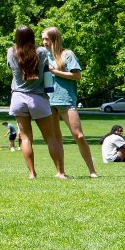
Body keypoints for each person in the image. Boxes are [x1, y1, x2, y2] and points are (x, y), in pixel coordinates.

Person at [7, 25, 68, 179]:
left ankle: (32, 173)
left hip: (18, 98)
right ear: (32, 37)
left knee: (26, 138)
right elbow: (47, 70)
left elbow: (12, 69)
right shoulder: (41, 52)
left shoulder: (11, 52)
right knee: (50, 138)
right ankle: (60, 172)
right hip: (38, 98)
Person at [43, 27, 97, 178]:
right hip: (48, 100)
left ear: (55, 39)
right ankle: (60, 172)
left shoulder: (67, 54)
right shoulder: (43, 55)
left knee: (78, 135)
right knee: (56, 138)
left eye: (47, 39)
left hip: (66, 100)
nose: (44, 42)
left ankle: (92, 171)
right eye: (43, 39)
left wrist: (54, 71)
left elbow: (77, 76)